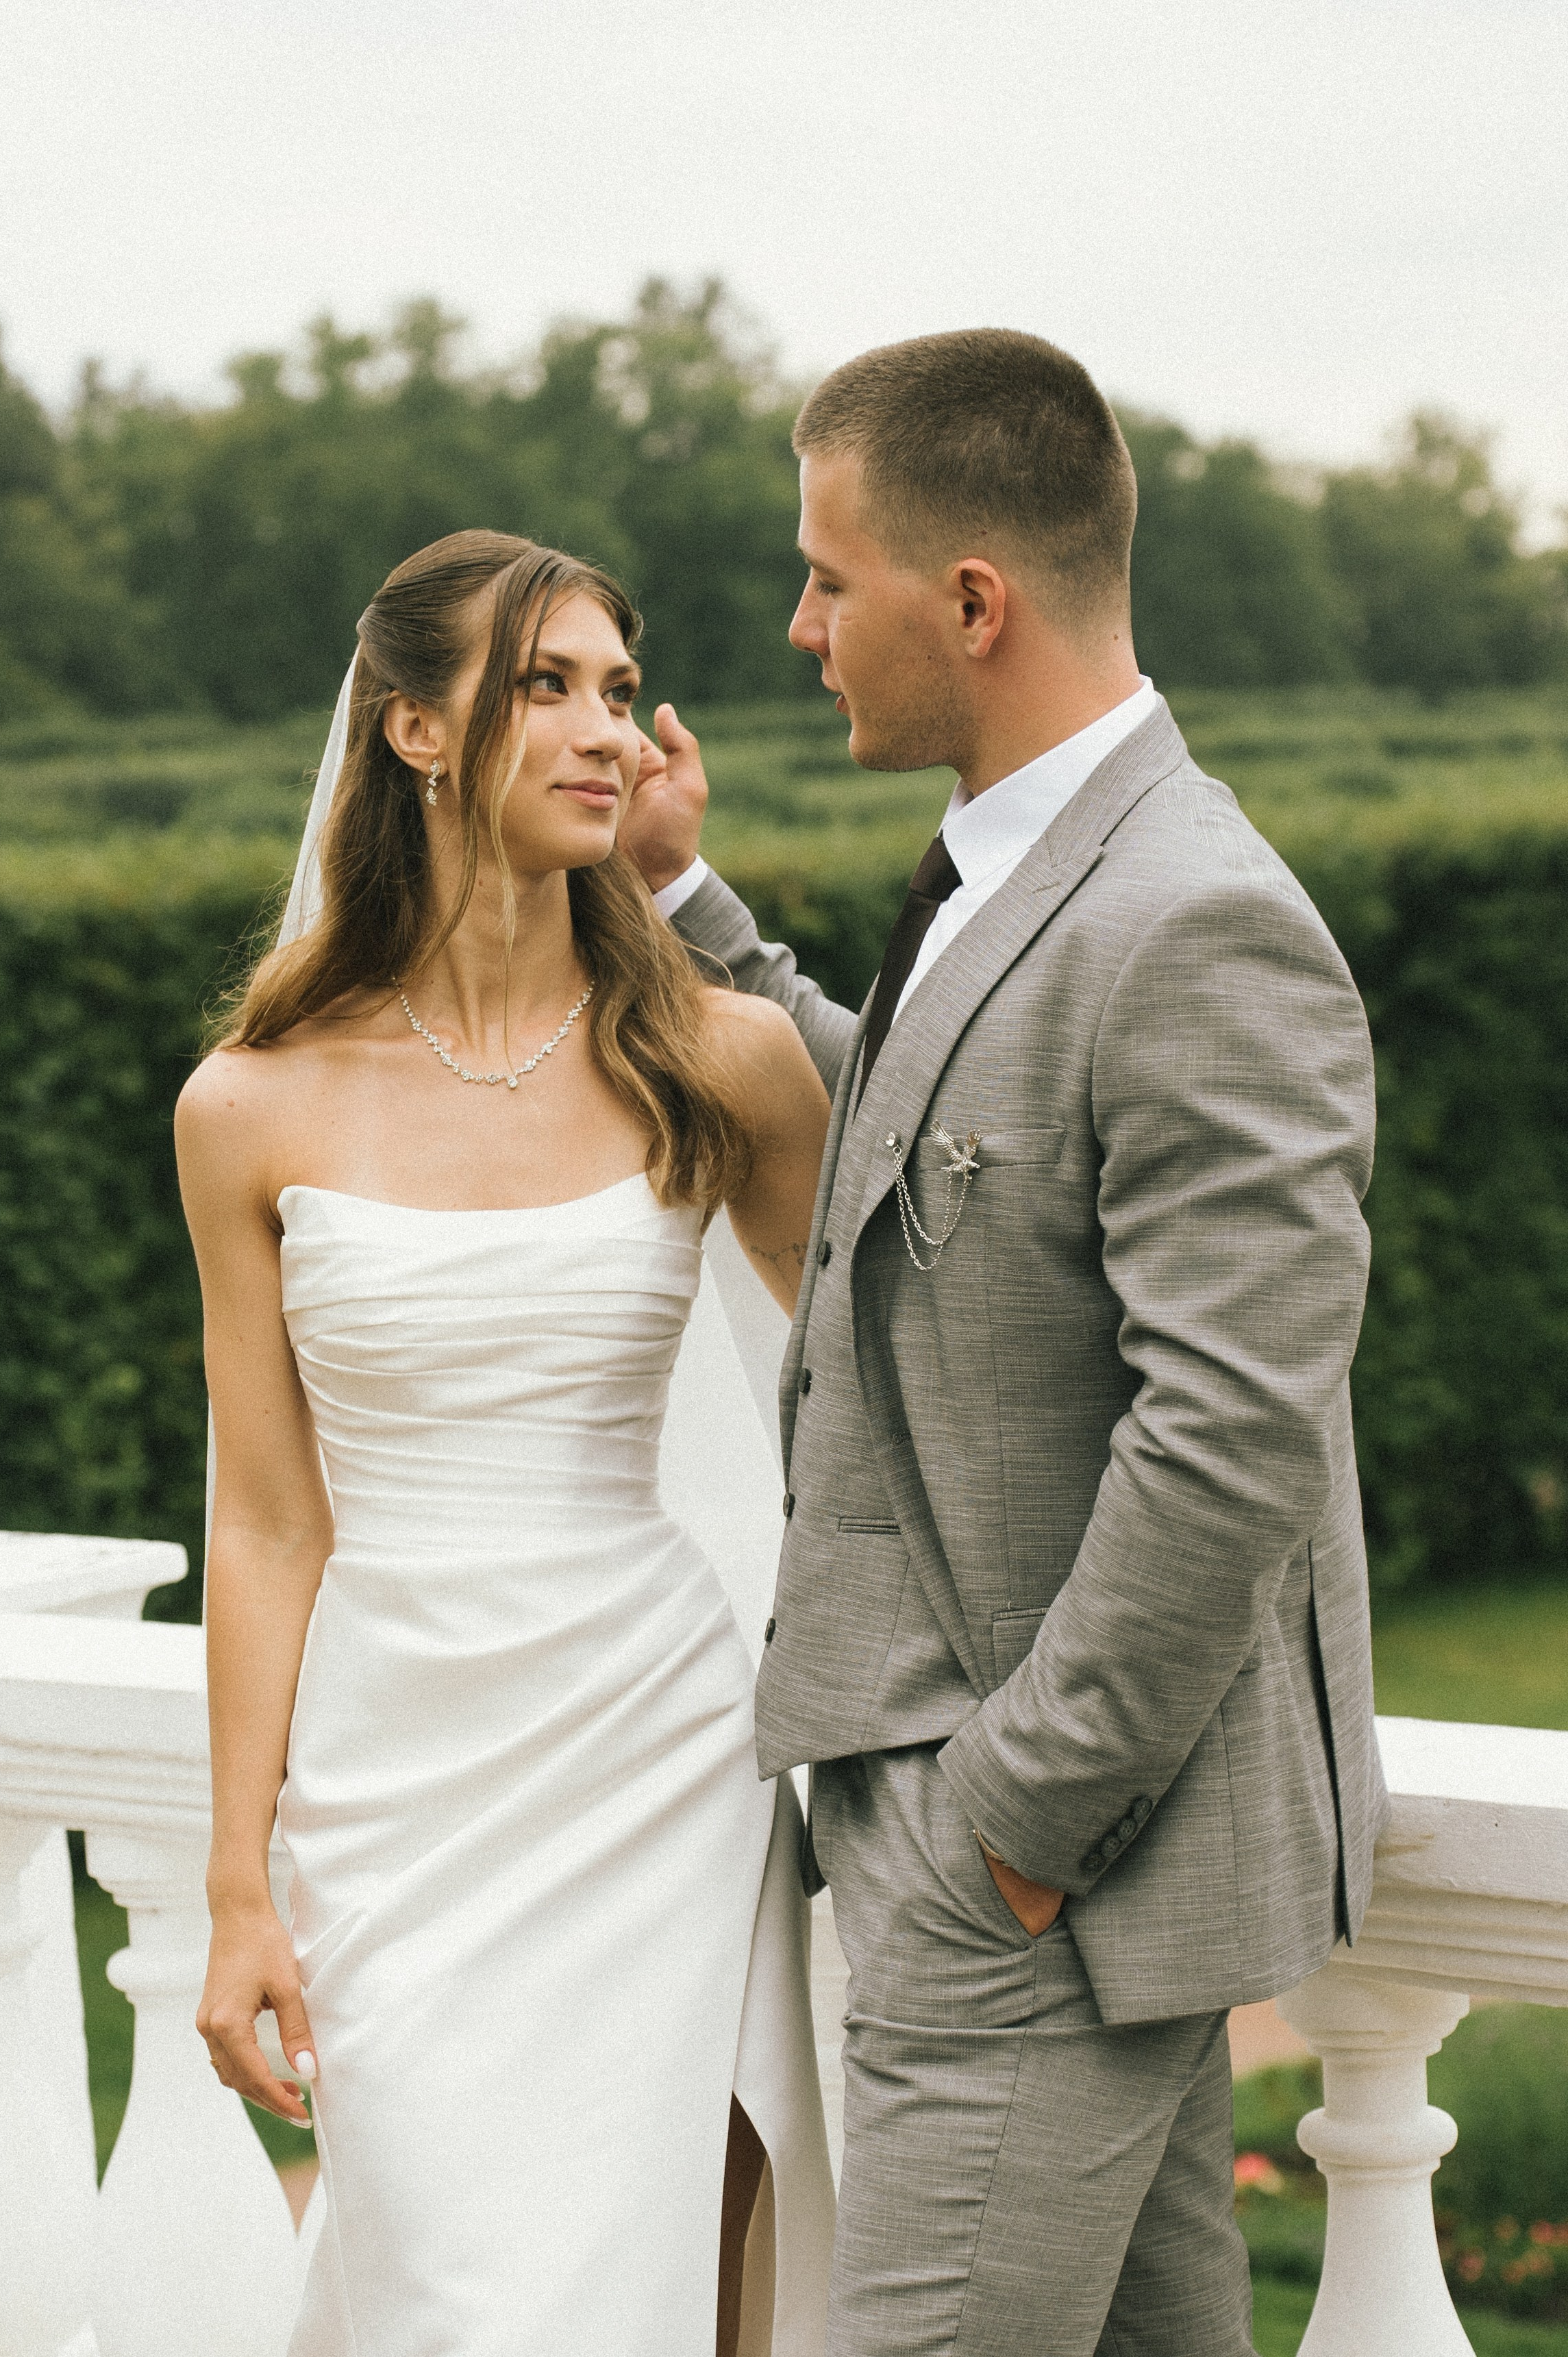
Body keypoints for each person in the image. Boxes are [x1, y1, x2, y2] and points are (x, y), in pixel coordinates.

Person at [621, 331, 1386, 2357]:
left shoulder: (1199, 918)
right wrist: (695, 904)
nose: (798, 627)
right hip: (1020, 1855)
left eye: (826, 576)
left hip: (1045, 1870)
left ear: (971, 601)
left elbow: (1232, 1437)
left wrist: (1015, 1829)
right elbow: (942, 1147)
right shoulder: (1034, 864)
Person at [177, 529, 836, 2357]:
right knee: (450, 2287)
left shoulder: (725, 1061)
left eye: (619, 690)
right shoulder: (248, 1106)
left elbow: (876, 1398)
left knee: (640, 2285)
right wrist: (240, 1885)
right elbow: (263, 1521)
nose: (605, 728)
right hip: (393, 1785)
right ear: (410, 730)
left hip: (657, 1756)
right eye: (547, 684)